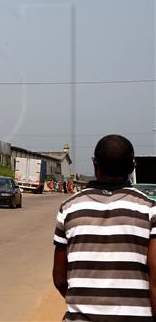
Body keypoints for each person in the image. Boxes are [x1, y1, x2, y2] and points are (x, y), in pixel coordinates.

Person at [52, 135, 156, 321]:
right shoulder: (150, 210)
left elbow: (59, 279)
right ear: (132, 167)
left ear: (94, 163)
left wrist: (87, 307)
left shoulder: (68, 208)